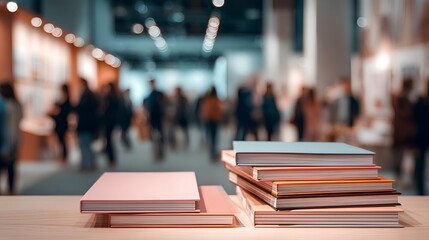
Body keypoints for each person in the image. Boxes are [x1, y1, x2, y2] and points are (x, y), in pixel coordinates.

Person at [0, 82, 23, 195]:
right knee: (11, 166)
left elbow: (11, 127)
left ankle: (10, 189)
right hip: (14, 139)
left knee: (7, 165)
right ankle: (11, 188)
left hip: (8, 140)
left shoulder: (7, 106)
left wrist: (10, 143)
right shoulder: (16, 104)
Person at [392, 78, 415, 181]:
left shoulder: (402, 98)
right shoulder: (402, 99)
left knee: (402, 155)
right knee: (400, 156)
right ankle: (400, 175)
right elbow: (404, 114)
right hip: (402, 132)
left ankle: (403, 175)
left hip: (402, 131)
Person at [75, 78, 100, 171]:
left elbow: (83, 110)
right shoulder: (90, 95)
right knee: (88, 146)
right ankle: (90, 164)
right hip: (89, 125)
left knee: (85, 145)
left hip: (85, 125)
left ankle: (87, 164)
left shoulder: (86, 96)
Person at [413, 80, 429, 195]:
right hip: (422, 137)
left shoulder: (420, 101)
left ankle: (421, 192)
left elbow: (414, 119)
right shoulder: (420, 101)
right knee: (420, 166)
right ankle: (420, 192)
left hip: (421, 137)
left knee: (420, 166)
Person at [143, 79, 165, 160]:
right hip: (152, 119)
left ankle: (160, 153)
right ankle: (155, 154)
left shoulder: (159, 94)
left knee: (160, 137)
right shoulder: (149, 95)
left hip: (159, 119)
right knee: (154, 137)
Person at [49, 84, 72, 163]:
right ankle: (61, 156)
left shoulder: (67, 100)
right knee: (60, 141)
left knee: (63, 141)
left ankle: (64, 156)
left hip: (62, 123)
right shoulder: (60, 99)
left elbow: (64, 112)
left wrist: (57, 112)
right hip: (58, 123)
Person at [201, 87, 224, 159]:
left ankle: (211, 152)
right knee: (214, 138)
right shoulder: (216, 100)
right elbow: (220, 110)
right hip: (215, 120)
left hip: (208, 120)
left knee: (210, 137)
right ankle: (213, 152)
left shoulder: (207, 100)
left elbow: (204, 111)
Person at [101, 83, 121, 167]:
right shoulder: (114, 97)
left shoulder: (110, 98)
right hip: (110, 121)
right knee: (109, 140)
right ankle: (111, 159)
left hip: (109, 122)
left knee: (109, 140)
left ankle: (111, 159)